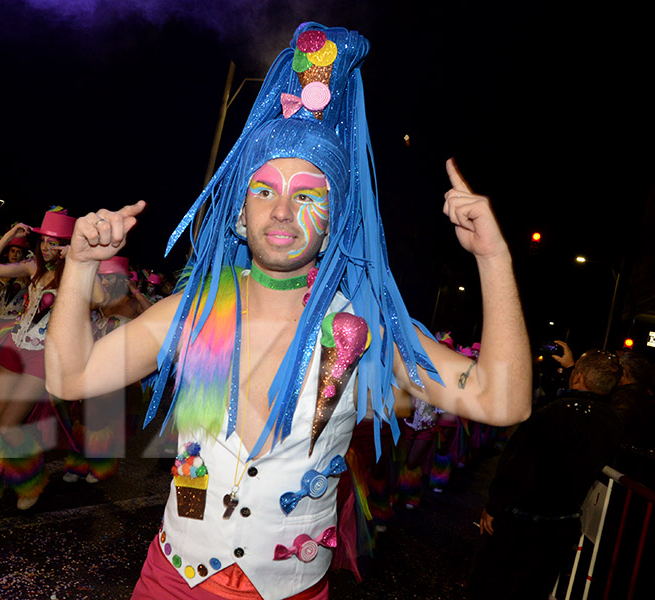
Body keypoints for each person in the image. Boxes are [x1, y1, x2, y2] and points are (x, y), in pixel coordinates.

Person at [46, 23, 531, 599]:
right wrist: (78, 267)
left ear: (332, 227)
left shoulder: (364, 327)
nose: (282, 211)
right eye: (264, 190)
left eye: (308, 194)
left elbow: (501, 401)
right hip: (170, 582)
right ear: (239, 215)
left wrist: (494, 258)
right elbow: (69, 376)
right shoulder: (191, 312)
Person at [469, 350, 623, 600]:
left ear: (578, 377)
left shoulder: (553, 413)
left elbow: (519, 463)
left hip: (524, 521)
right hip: (563, 524)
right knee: (533, 589)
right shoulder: (612, 422)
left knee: (491, 586)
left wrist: (495, 504)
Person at [0, 209, 81, 511]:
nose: (47, 248)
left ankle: (30, 481)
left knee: (11, 424)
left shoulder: (75, 277)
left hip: (42, 357)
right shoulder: (31, 268)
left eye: (55, 243)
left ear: (67, 245)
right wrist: (9, 236)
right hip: (13, 347)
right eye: (44, 242)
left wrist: (78, 255)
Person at [62, 255, 149, 484]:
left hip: (119, 367)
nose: (108, 282)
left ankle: (101, 465)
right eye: (105, 278)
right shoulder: (98, 301)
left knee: (103, 416)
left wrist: (136, 291)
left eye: (112, 278)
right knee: (82, 413)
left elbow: (152, 314)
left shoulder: (131, 303)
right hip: (93, 361)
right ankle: (78, 462)